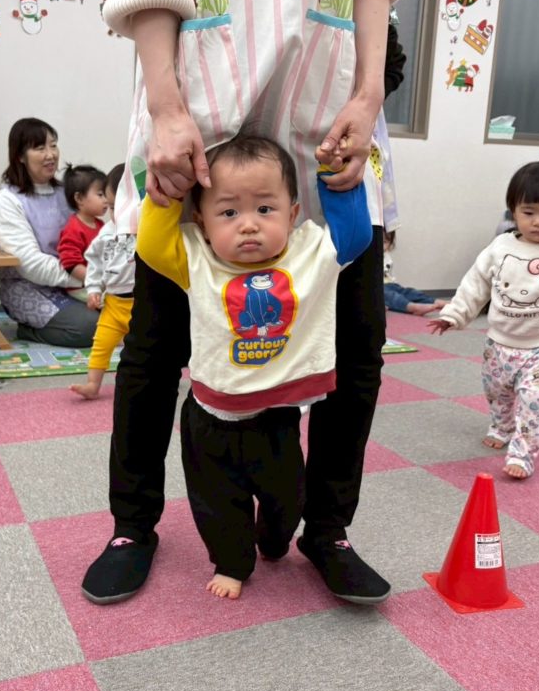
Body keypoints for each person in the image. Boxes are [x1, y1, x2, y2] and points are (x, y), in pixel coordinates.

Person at [82, 0, 403, 606]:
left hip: (327, 106)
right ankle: (132, 526)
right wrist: (165, 107)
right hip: (199, 112)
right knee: (153, 352)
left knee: (358, 352)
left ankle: (328, 530)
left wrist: (369, 95)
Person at [138, 134, 371, 599]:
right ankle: (231, 562)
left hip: (278, 418)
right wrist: (165, 196)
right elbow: (151, 244)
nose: (248, 225)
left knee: (288, 501)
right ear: (202, 223)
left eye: (265, 209)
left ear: (293, 213)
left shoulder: (310, 253)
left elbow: (355, 236)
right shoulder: (196, 257)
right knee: (217, 504)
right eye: (228, 213)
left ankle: (276, 538)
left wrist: (337, 179)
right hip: (211, 421)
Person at [428, 161, 539, 479]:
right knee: (497, 391)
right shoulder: (501, 247)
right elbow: (475, 284)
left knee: (534, 400)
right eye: (528, 212)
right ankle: (501, 426)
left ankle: (523, 454)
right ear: (513, 210)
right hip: (499, 342)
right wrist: (454, 314)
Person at [0, 117, 99, 348]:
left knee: (125, 313)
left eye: (53, 145)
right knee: (91, 327)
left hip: (77, 280)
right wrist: (88, 277)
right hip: (29, 286)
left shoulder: (67, 193)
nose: (50, 155)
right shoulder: (8, 200)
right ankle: (29, 330)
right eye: (40, 148)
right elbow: (30, 264)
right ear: (20, 156)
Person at [71, 163, 135, 400]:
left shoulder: (144, 229)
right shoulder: (107, 231)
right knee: (101, 343)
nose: (115, 214)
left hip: (140, 304)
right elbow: (95, 263)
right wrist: (93, 289)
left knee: (147, 349)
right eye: (110, 207)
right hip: (113, 304)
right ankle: (92, 384)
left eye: (121, 206)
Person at [58, 164, 109, 292]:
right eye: (100, 194)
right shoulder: (73, 228)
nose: (106, 200)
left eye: (106, 194)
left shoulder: (101, 225)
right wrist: (97, 282)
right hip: (82, 288)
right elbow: (70, 264)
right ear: (79, 198)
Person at [383, 230, 448, 315]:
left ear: (390, 243)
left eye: (384, 242)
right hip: (379, 288)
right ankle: (412, 307)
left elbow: (390, 274)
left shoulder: (387, 256)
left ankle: (435, 301)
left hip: (391, 284)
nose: (380, 245)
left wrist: (395, 284)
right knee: (392, 296)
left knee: (410, 292)